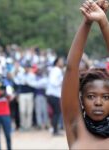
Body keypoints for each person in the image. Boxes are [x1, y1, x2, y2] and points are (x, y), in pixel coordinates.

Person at [61, 0, 109, 149]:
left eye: (106, 97)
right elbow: (71, 68)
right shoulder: (75, 126)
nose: (98, 103)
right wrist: (87, 22)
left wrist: (103, 22)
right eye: (91, 96)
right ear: (81, 99)